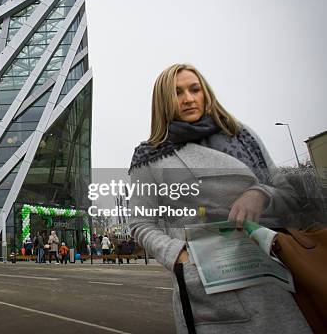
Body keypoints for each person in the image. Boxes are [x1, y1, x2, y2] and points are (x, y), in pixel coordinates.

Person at [128, 64, 311, 333]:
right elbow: (141, 223)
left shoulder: (242, 136)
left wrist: (260, 195)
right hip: (210, 287)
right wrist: (179, 256)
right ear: (163, 101)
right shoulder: (150, 158)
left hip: (275, 277)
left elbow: (290, 196)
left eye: (195, 89)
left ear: (206, 93)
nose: (189, 99)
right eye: (177, 93)